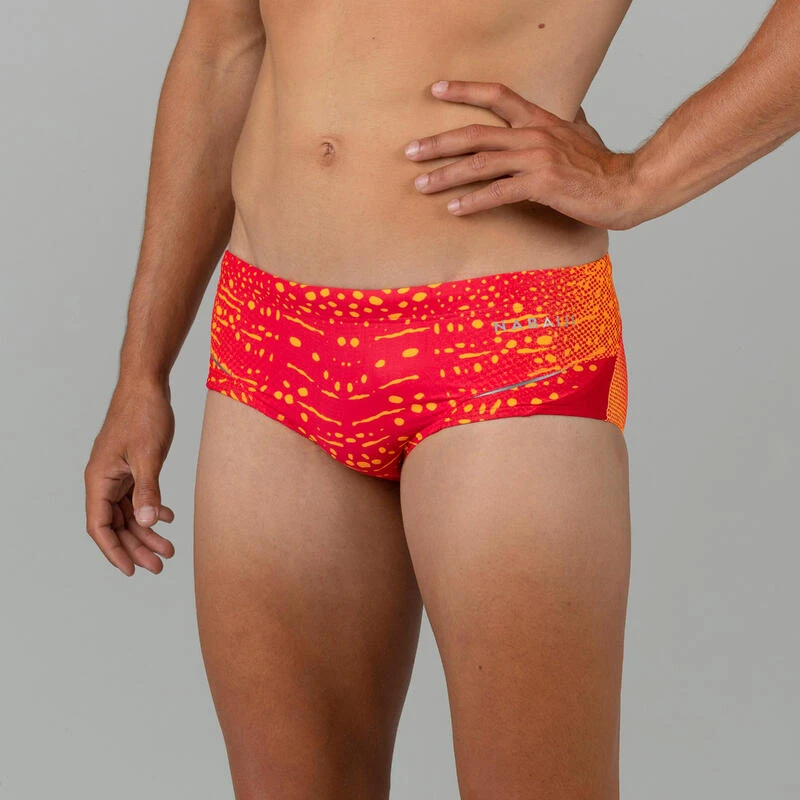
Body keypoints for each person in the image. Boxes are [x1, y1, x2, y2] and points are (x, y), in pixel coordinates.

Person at [83, 0, 800, 796]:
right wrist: (142, 371)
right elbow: (221, 51)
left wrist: (641, 179)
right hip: (271, 337)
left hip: (503, 340)